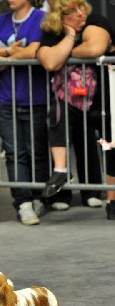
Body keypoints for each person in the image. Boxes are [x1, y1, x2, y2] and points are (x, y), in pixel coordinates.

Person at [0, 0, 49, 226]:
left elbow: (35, 50)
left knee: (36, 151)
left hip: (35, 97)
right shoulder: (1, 20)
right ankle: (22, 201)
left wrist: (4, 59)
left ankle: (38, 196)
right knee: (14, 152)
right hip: (6, 98)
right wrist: (8, 52)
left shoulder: (40, 18)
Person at [37, 0, 115, 212]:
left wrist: (65, 53)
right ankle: (61, 171)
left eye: (82, 7)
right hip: (70, 99)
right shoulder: (53, 31)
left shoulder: (95, 21)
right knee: (57, 117)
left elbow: (96, 47)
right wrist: (70, 36)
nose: (81, 13)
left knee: (109, 146)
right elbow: (50, 61)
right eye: (73, 11)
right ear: (59, 17)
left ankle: (105, 197)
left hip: (105, 99)